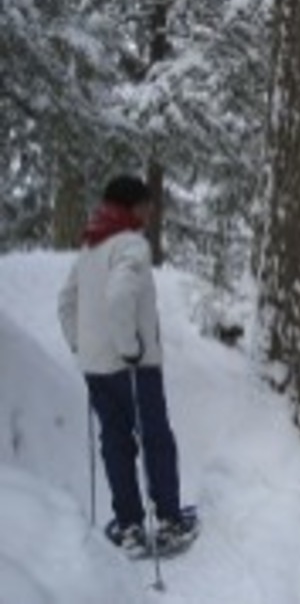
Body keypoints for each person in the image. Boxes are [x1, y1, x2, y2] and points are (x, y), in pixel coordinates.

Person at [58, 175, 197, 557]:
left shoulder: (91, 245)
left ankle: (130, 526)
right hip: (133, 367)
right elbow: (121, 295)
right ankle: (169, 521)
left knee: (116, 443)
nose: (151, 211)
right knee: (156, 440)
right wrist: (129, 347)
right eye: (147, 204)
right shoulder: (131, 244)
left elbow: (66, 301)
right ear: (132, 206)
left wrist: (80, 344)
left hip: (96, 368)